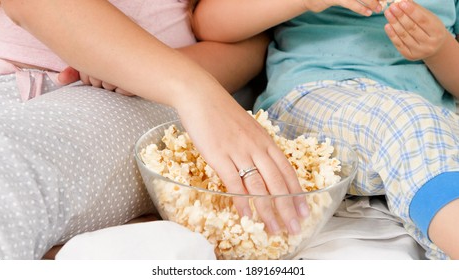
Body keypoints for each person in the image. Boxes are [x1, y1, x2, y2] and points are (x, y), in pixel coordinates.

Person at [0, 0, 308, 259]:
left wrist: (182, 85)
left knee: (10, 172)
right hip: (10, 80)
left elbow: (250, 41)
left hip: (129, 95)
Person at [192, 0, 459, 260]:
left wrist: (441, 49)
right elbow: (209, 23)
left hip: (436, 120)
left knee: (418, 123)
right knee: (408, 119)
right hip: (314, 99)